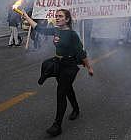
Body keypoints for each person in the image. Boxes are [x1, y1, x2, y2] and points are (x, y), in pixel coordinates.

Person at [22, 9, 94, 137]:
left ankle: (57, 125)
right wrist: (27, 17)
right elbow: (39, 28)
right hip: (58, 64)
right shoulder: (56, 30)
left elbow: (81, 53)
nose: (57, 18)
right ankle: (76, 109)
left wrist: (89, 67)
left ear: (67, 19)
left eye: (60, 16)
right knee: (67, 88)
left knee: (61, 92)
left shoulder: (72, 35)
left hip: (70, 66)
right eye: (56, 16)